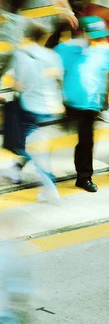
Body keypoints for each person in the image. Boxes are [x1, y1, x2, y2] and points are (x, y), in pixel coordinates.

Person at [55, 16, 109, 193]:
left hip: (91, 104)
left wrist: (105, 102)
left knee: (86, 141)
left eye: (101, 35)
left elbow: (108, 76)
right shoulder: (68, 49)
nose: (99, 39)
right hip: (69, 103)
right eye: (94, 35)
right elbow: (47, 53)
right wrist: (61, 25)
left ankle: (84, 177)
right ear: (83, 33)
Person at [1, 23, 64, 202]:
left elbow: (19, 84)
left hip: (31, 109)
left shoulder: (21, 55)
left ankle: (50, 188)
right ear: (45, 37)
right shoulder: (53, 55)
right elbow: (59, 79)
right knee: (36, 143)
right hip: (52, 108)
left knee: (33, 149)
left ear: (26, 35)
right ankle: (15, 170)